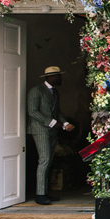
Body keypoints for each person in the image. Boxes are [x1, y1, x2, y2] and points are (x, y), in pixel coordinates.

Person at [27, 66, 74, 205]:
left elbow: (57, 111)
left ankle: (45, 191)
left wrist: (65, 123)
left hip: (52, 131)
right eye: (58, 76)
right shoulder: (36, 91)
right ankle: (39, 195)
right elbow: (33, 112)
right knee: (44, 160)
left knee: (49, 160)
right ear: (51, 77)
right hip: (40, 130)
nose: (60, 78)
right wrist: (53, 123)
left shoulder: (55, 92)